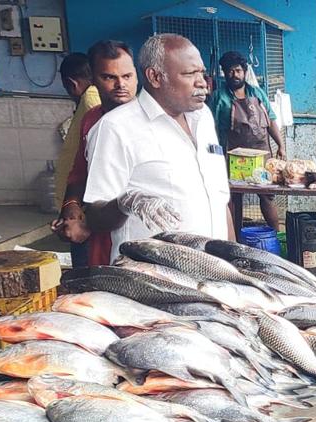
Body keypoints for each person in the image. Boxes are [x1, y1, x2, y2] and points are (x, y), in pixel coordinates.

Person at [83, 34, 231, 262]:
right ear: (154, 77)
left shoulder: (203, 118)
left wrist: (232, 259)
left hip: (213, 271)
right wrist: (126, 202)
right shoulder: (115, 128)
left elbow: (219, 199)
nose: (201, 82)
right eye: (189, 74)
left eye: (201, 73)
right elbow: (94, 217)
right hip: (154, 281)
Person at [50, 40, 138, 267]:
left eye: (127, 76)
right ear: (94, 81)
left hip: (134, 233)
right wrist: (71, 209)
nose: (121, 84)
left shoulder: (149, 123)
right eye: (109, 77)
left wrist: (87, 224)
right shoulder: (92, 119)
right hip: (96, 230)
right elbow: (80, 172)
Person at [207, 51, 286, 232]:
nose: (234, 75)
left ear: (244, 71)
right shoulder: (219, 97)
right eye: (230, 71)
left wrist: (281, 145)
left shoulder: (257, 93)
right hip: (232, 155)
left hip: (261, 154)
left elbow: (271, 120)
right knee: (234, 196)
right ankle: (235, 239)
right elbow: (209, 125)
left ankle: (275, 236)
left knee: (266, 196)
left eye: (238, 70)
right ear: (224, 73)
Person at [53, 52, 100, 266]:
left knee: (85, 263)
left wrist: (77, 209)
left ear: (72, 84)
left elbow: (95, 158)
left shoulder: (91, 100)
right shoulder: (91, 100)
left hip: (86, 204)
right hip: (78, 200)